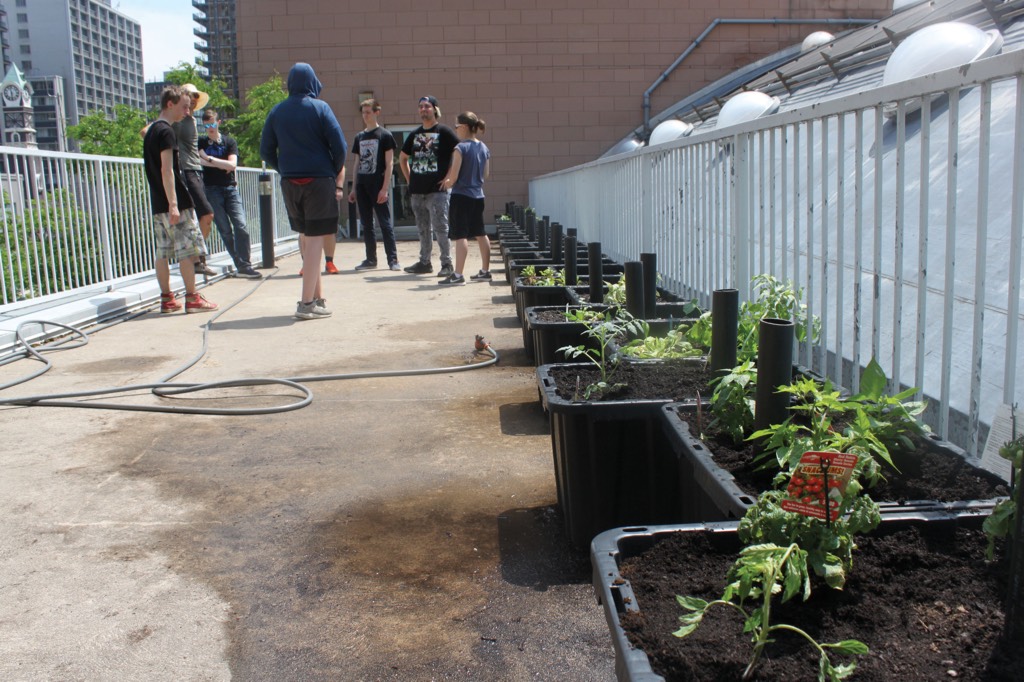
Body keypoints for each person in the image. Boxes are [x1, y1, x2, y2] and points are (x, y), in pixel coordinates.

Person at [260, 62, 347, 320]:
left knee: (309, 239)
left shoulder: (277, 111)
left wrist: (284, 168)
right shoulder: (320, 108)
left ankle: (318, 299)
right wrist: (331, 170)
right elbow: (339, 145)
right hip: (319, 180)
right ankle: (306, 304)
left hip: (290, 183)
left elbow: (266, 150)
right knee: (316, 240)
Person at [142, 85, 217, 314]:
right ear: (170, 104)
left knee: (162, 252)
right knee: (187, 250)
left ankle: (167, 299)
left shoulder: (152, 131)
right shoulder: (167, 132)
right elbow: (168, 170)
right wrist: (174, 203)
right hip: (174, 202)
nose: (187, 111)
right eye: (184, 107)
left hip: (157, 203)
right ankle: (192, 298)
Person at [197, 109, 262, 280]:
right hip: (211, 189)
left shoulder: (229, 142)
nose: (209, 128)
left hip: (230, 188)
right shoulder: (201, 142)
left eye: (212, 124)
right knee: (225, 230)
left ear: (218, 123)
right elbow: (198, 160)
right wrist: (221, 164)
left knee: (241, 226)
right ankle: (241, 265)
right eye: (206, 125)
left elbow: (232, 165)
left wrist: (209, 159)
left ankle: (245, 263)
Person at [399, 96, 458, 277]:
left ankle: (446, 263)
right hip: (417, 191)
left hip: (437, 191)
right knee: (423, 228)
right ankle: (424, 262)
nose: (424, 109)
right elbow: (402, 158)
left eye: (427, 106)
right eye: (421, 107)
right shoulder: (415, 134)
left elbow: (459, 153)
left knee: (441, 227)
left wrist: (449, 177)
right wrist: (409, 179)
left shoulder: (444, 132)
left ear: (435, 109)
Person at [439, 112, 491, 286]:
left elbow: (453, 177)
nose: (455, 130)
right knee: (481, 233)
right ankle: (485, 271)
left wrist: (447, 183)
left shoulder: (460, 148)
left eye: (456, 127)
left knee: (460, 235)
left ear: (464, 127)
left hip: (461, 196)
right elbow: (486, 174)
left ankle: (458, 274)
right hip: (478, 196)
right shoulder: (484, 148)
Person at [348, 98, 400, 272]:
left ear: (377, 112)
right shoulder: (359, 137)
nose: (365, 115)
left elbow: (390, 162)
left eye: (368, 112)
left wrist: (385, 188)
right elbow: (356, 163)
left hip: (378, 185)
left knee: (385, 223)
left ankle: (392, 260)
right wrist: (354, 188)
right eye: (363, 112)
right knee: (367, 224)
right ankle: (371, 259)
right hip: (362, 185)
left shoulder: (384, 135)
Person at [173, 83, 217, 277]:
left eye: (195, 96)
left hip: (197, 171)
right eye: (190, 96)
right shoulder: (178, 121)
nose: (193, 99)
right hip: (187, 172)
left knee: (203, 217)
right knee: (205, 214)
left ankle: (198, 257)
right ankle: (197, 258)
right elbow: (151, 130)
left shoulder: (191, 119)